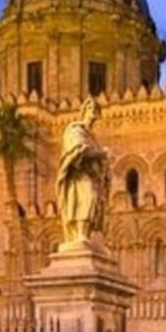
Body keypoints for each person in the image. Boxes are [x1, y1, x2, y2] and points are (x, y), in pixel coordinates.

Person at [56, 98, 110, 247]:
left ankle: (85, 234)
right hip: (79, 174)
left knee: (93, 204)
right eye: (90, 108)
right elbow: (78, 151)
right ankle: (80, 234)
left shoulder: (92, 137)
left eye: (96, 109)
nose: (93, 112)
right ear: (84, 110)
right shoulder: (75, 129)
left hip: (92, 176)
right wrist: (101, 153)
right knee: (86, 199)